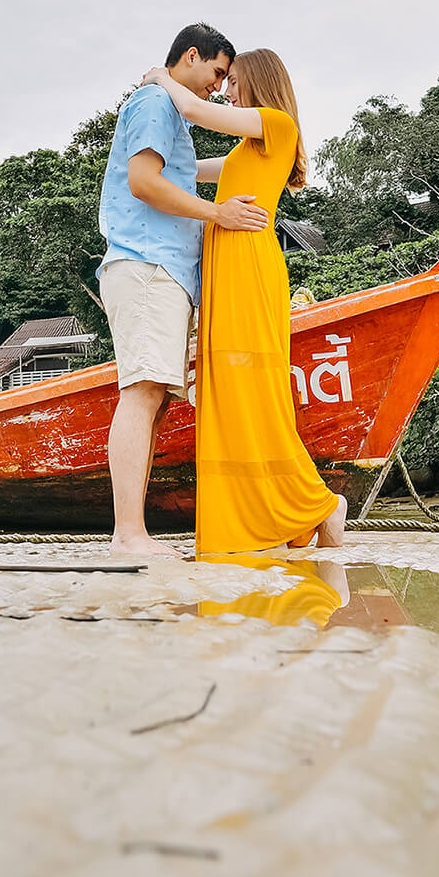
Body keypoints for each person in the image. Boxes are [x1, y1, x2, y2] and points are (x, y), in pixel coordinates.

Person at [141, 48, 347, 555]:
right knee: (230, 395)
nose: (227, 89)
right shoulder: (243, 153)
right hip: (226, 269)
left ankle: (320, 503)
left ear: (257, 81)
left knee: (254, 393)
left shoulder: (277, 124)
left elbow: (195, 111)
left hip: (251, 268)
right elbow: (183, 172)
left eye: (232, 80)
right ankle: (279, 515)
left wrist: (160, 80)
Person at [99, 23, 270, 557]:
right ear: (191, 56)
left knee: (156, 399)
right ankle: (129, 533)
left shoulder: (172, 111)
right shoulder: (156, 101)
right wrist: (218, 213)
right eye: (217, 72)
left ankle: (133, 530)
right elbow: (145, 183)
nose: (219, 86)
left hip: (162, 271)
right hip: (147, 263)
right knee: (143, 391)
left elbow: (189, 172)